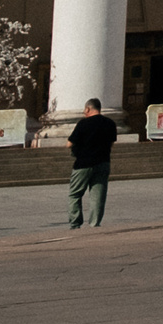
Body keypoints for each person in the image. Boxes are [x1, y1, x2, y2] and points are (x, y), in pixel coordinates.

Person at [67, 98, 118, 229]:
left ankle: (75, 223)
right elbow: (111, 143)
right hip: (103, 162)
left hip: (83, 164)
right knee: (98, 195)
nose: (84, 112)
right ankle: (95, 223)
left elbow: (69, 144)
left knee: (75, 194)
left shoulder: (83, 124)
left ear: (88, 109)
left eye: (85, 110)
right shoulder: (110, 123)